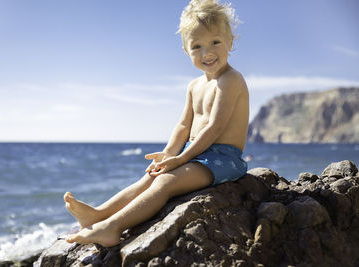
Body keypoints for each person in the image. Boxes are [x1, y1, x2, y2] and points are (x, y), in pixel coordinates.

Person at [64, 0, 249, 247]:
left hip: (224, 159)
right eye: (197, 46)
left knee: (165, 182)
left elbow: (214, 127)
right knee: (151, 176)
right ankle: (98, 214)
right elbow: (184, 125)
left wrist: (181, 159)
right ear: (186, 50)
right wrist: (170, 154)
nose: (207, 53)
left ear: (231, 42)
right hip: (195, 153)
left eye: (215, 42)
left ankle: (112, 227)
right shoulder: (194, 86)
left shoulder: (231, 80)